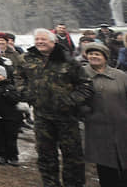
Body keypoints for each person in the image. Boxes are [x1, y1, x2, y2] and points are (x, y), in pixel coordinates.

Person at [15, 28, 93, 187]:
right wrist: (27, 93)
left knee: (73, 157)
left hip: (67, 117)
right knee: (46, 156)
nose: (39, 42)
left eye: (43, 39)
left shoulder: (68, 60)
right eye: (37, 39)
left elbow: (85, 86)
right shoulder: (26, 59)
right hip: (42, 117)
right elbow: (18, 77)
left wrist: (70, 101)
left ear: (53, 41)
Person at [82, 41, 127, 186]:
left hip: (122, 126)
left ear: (105, 57)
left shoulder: (120, 76)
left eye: (97, 54)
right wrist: (84, 112)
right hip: (97, 128)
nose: (93, 56)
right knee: (105, 163)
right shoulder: (81, 75)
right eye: (90, 54)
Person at [0, 64, 21, 166]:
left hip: (10, 117)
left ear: (4, 76)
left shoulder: (10, 87)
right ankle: (2, 155)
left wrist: (7, 94)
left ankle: (13, 156)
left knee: (11, 137)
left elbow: (15, 99)